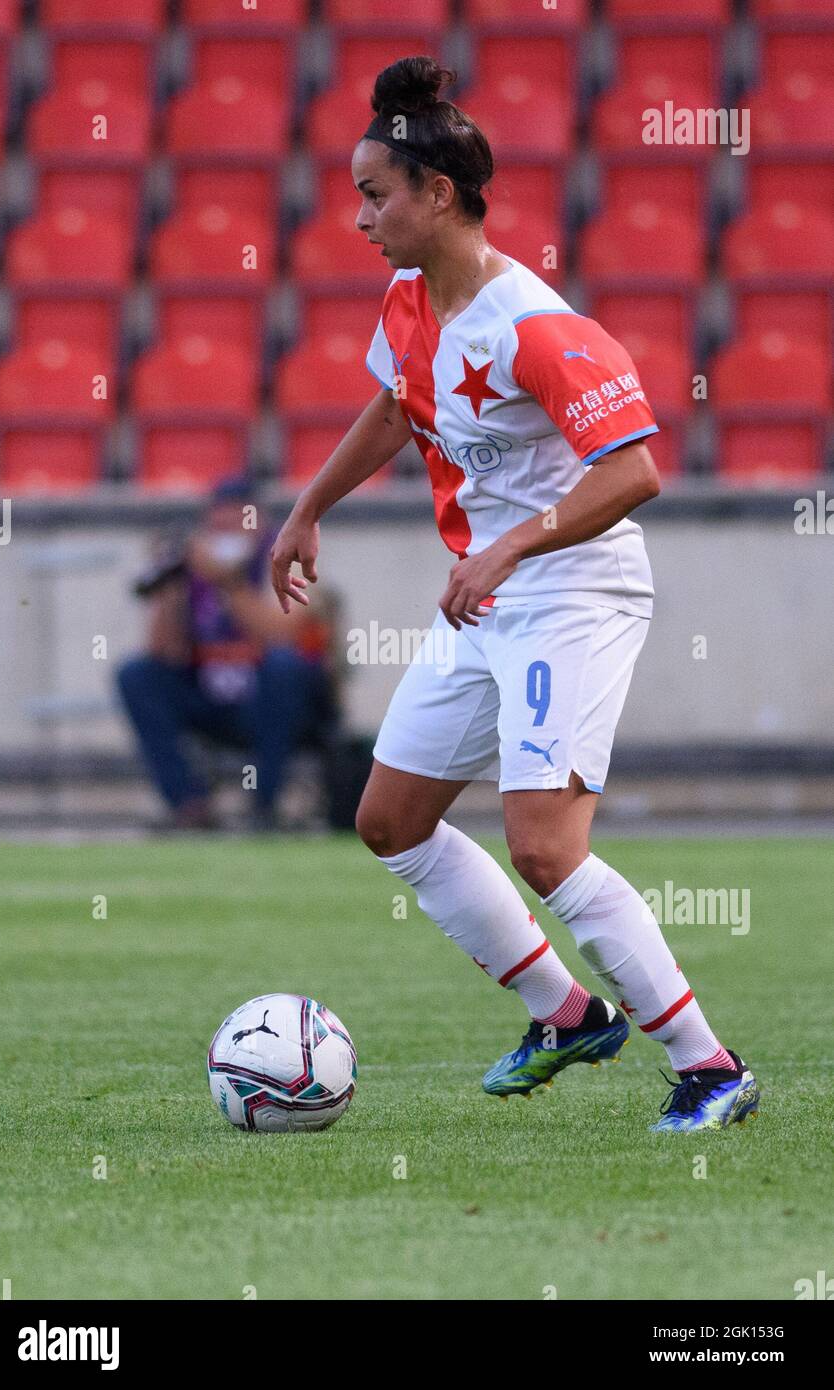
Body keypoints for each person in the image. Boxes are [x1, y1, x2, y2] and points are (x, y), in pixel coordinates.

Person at [270, 58, 760, 1132]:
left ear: (435, 194)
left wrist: (505, 552)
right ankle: (565, 1010)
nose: (359, 218)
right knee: (389, 820)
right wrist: (308, 507)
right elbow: (396, 410)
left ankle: (708, 1066)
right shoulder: (407, 300)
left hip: (570, 592)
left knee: (544, 845)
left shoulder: (532, 325)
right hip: (485, 598)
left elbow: (634, 472)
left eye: (373, 193)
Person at [117, 477, 337, 831]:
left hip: (282, 705)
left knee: (282, 667)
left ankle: (264, 805)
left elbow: (280, 634)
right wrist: (171, 591)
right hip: (216, 699)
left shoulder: (288, 558)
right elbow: (164, 653)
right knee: (136, 675)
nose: (225, 535)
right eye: (217, 526)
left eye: (236, 524)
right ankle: (189, 804)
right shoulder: (197, 571)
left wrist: (228, 582)